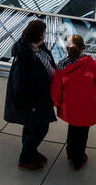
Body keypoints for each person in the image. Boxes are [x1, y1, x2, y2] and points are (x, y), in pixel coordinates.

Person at [51, 33, 96, 170]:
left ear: (67, 49)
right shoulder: (92, 64)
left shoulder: (61, 66)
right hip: (88, 106)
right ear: (84, 48)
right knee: (83, 133)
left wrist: (57, 103)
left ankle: (70, 153)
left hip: (70, 106)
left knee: (72, 128)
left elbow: (56, 89)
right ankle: (78, 159)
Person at [4, 18, 57, 169]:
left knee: (31, 126)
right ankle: (25, 159)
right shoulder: (25, 58)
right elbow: (21, 84)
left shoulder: (37, 47)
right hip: (33, 101)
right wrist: (30, 105)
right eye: (44, 32)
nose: (46, 35)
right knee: (40, 128)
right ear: (39, 35)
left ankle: (31, 151)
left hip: (40, 96)